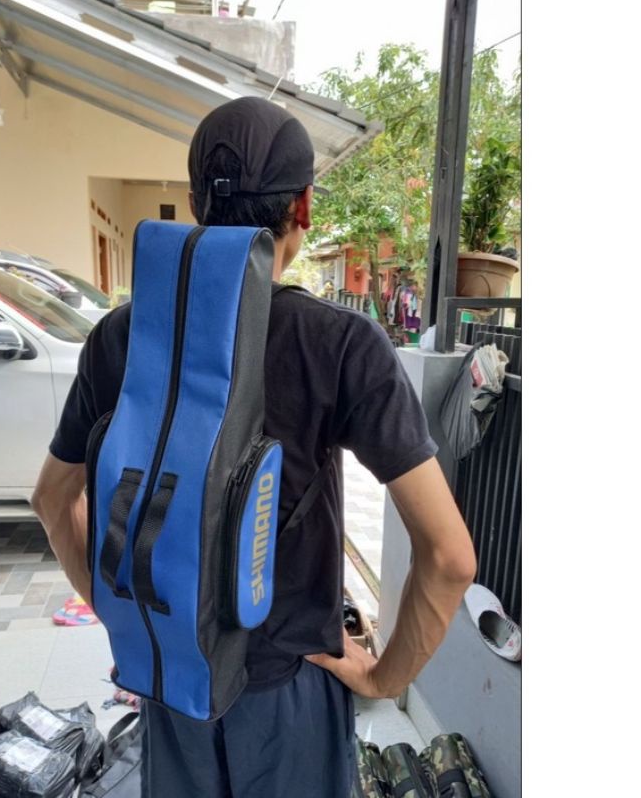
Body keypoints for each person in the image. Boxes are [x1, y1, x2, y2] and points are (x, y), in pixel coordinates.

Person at [31, 96, 477, 797]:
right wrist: (382, 677)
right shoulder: (341, 343)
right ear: (303, 207)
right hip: (291, 693)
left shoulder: (120, 336)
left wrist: (134, 620)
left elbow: (52, 501)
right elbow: (450, 559)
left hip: (174, 680)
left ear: (195, 206)